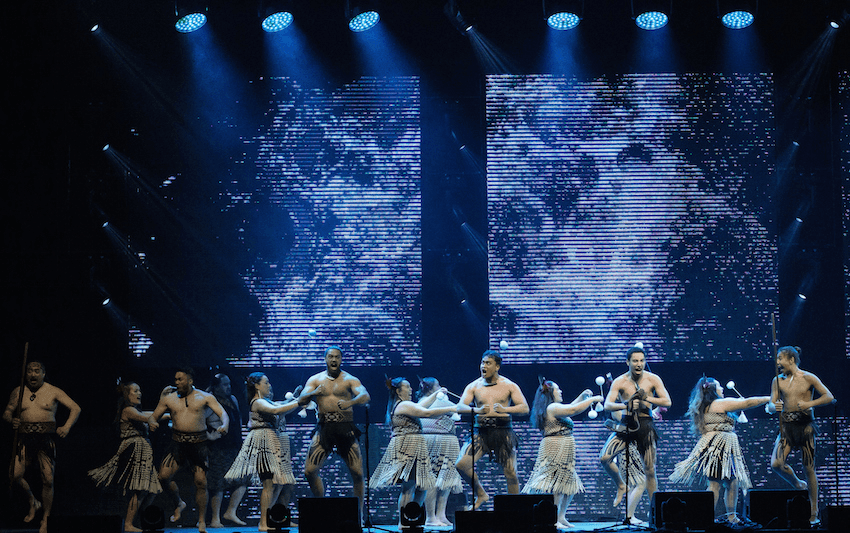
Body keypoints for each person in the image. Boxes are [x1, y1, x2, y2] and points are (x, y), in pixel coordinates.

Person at [669, 376, 769, 525]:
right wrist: (769, 398)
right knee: (722, 483)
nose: (722, 388)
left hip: (715, 445)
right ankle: (722, 517)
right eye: (719, 386)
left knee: (725, 483)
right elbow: (747, 403)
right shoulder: (718, 403)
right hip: (720, 446)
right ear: (713, 390)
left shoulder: (705, 406)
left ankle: (719, 516)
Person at [3, 360, 81, 533]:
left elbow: (75, 408)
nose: (33, 374)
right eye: (30, 371)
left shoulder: (53, 391)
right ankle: (33, 500)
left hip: (45, 439)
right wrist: (11, 419)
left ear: (43, 373)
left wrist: (66, 427)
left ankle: (46, 518)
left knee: (48, 479)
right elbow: (7, 412)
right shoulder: (18, 391)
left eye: (36, 371)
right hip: (24, 438)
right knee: (14, 475)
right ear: (26, 374)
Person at [147, 368, 229, 533]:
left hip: (198, 444)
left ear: (190, 381)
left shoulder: (204, 397)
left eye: (180, 379)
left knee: (201, 482)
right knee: (163, 477)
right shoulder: (169, 399)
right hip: (177, 444)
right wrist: (152, 422)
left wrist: (225, 425)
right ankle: (178, 502)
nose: (176, 382)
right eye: (176, 379)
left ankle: (201, 521)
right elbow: (154, 416)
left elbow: (223, 414)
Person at [599, 344, 671, 525]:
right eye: (635, 361)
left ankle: (655, 512)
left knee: (649, 470)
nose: (639, 364)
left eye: (642, 361)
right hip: (626, 425)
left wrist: (646, 399)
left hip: (645, 426)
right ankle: (621, 485)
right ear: (628, 362)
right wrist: (626, 404)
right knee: (605, 458)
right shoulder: (620, 381)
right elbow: (608, 405)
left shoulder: (653, 379)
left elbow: (667, 401)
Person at [371, 377, 457, 527]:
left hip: (416, 446)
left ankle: (413, 517)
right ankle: (403, 521)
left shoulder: (407, 404)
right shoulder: (402, 404)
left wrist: (436, 394)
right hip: (407, 447)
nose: (411, 389)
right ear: (398, 391)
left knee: (423, 486)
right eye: (407, 387)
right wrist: (452, 408)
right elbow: (426, 413)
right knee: (409, 487)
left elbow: (421, 405)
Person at [297, 345, 370, 516]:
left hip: (345, 428)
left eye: (337, 357)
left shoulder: (349, 379)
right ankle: (321, 508)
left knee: (358, 473)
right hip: (325, 428)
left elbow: (365, 396)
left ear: (341, 359)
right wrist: (315, 392)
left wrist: (350, 403)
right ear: (325, 359)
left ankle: (358, 514)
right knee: (309, 471)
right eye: (331, 357)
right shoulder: (315, 379)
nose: (334, 360)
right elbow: (301, 400)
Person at [767, 346, 834, 526]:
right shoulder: (777, 380)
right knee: (776, 463)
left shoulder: (808, 377)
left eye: (780, 358)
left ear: (791, 359)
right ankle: (797, 483)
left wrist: (809, 404)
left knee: (809, 467)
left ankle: (813, 512)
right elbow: (771, 404)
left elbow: (828, 396)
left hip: (805, 428)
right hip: (787, 428)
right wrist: (774, 407)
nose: (778, 362)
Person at [225, 373, 301, 531]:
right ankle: (263, 523)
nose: (269, 385)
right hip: (263, 442)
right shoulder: (258, 402)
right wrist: (299, 401)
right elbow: (277, 410)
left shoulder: (265, 401)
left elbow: (282, 405)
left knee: (275, 484)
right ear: (257, 386)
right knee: (268, 484)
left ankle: (267, 520)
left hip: (271, 441)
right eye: (266, 382)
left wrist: (296, 398)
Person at [523, 378, 602, 529]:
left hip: (564, 447)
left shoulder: (555, 408)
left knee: (568, 484)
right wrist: (592, 399)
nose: (560, 391)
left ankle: (561, 516)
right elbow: (573, 410)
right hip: (556, 446)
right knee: (558, 485)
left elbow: (570, 407)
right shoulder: (552, 407)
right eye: (557, 389)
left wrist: (582, 396)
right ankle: (554, 518)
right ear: (551, 393)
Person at [455, 350, 529, 510]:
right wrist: (476, 410)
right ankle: (481, 494)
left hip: (503, 432)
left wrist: (505, 409)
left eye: (488, 363)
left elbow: (524, 408)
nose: (483, 366)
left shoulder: (509, 385)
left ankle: (514, 509)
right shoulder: (474, 386)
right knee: (461, 464)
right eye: (482, 362)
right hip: (480, 432)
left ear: (497, 366)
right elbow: (460, 407)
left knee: (511, 473)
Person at [88, 380, 164, 532]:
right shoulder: (128, 410)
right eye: (135, 391)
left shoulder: (136, 411)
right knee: (140, 489)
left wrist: (171, 412)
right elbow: (148, 418)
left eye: (140, 390)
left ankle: (139, 520)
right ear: (127, 395)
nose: (139, 393)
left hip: (143, 452)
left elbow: (154, 415)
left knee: (151, 489)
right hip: (134, 450)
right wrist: (162, 408)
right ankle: (129, 523)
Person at [417, 377, 463, 527]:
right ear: (431, 388)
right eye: (437, 385)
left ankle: (440, 515)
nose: (441, 387)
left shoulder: (424, 401)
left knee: (446, 480)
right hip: (435, 441)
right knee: (433, 479)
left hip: (446, 441)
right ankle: (431, 517)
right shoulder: (435, 401)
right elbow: (459, 409)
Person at [205, 373, 248, 528]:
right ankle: (215, 519)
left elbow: (239, 420)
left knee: (242, 480)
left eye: (229, 384)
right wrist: (209, 436)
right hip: (218, 447)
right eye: (224, 384)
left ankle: (231, 511)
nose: (228, 387)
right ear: (216, 387)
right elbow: (199, 420)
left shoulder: (233, 399)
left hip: (235, 446)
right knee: (218, 483)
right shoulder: (210, 401)